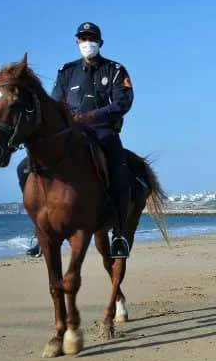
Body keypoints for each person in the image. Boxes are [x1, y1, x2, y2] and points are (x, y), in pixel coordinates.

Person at [17, 22, 135, 259]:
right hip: (70, 132)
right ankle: (40, 230)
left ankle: (119, 234)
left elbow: (123, 102)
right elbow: (55, 103)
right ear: (77, 42)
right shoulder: (67, 71)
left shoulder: (115, 70)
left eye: (91, 38)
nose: (87, 42)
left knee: (119, 168)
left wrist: (92, 116)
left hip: (102, 131)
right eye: (83, 38)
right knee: (24, 168)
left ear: (100, 42)